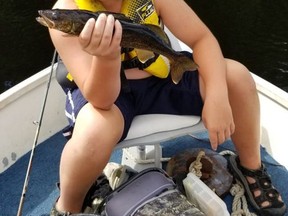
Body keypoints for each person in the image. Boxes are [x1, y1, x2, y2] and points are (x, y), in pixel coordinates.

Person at [48, 0, 286, 215]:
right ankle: (68, 205)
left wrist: (217, 95)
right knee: (93, 127)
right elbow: (101, 100)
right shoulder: (66, 15)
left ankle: (251, 167)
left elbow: (201, 38)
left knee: (237, 77)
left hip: (160, 76)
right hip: (106, 88)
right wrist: (106, 57)